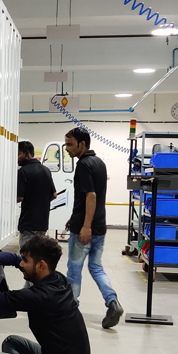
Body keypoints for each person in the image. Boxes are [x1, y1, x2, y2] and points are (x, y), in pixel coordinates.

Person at [63, 128, 124, 329]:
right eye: (66, 144)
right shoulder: (99, 163)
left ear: (82, 144)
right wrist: (75, 219)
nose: (67, 149)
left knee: (74, 269)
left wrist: (85, 226)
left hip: (86, 228)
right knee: (95, 267)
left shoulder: (83, 165)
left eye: (70, 144)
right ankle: (112, 302)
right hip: (99, 226)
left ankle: (69, 312)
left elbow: (91, 196)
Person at [17, 141, 57, 249]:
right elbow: (54, 194)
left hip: (28, 223)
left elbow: (19, 198)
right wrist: (41, 202)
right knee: (38, 255)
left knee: (26, 256)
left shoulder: (22, 172)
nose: (17, 158)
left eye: (18, 154)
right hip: (42, 223)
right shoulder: (46, 170)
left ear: (27, 153)